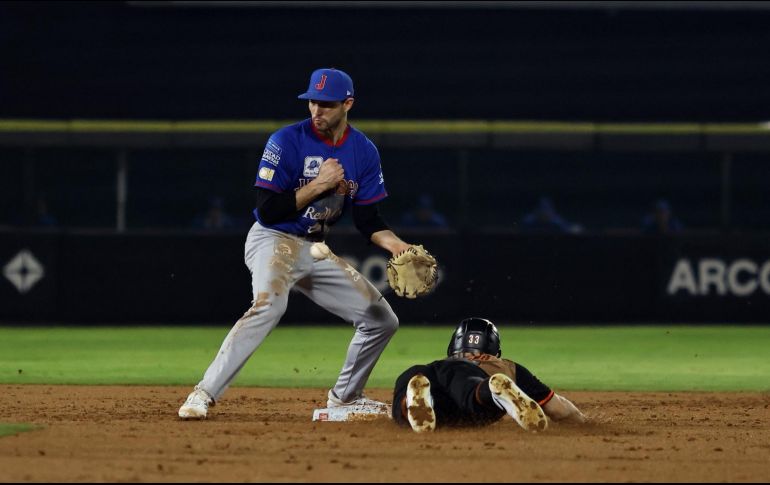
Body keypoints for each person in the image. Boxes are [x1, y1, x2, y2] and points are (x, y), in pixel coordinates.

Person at [179, 68, 418, 419]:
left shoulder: (363, 151)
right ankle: (203, 393)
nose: (316, 111)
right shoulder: (286, 141)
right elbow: (268, 210)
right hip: (273, 239)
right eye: (312, 103)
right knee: (269, 305)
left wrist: (397, 246)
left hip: (315, 248)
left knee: (381, 319)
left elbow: (368, 220)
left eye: (326, 104)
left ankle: (345, 398)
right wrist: (319, 185)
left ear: (347, 103)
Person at [392, 318, 586, 433]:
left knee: (421, 406)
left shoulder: (446, 360)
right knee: (471, 394)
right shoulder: (507, 366)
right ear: (494, 348)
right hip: (471, 377)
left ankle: (408, 402)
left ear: (454, 345)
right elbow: (558, 409)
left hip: (427, 371)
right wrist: (583, 421)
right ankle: (491, 389)